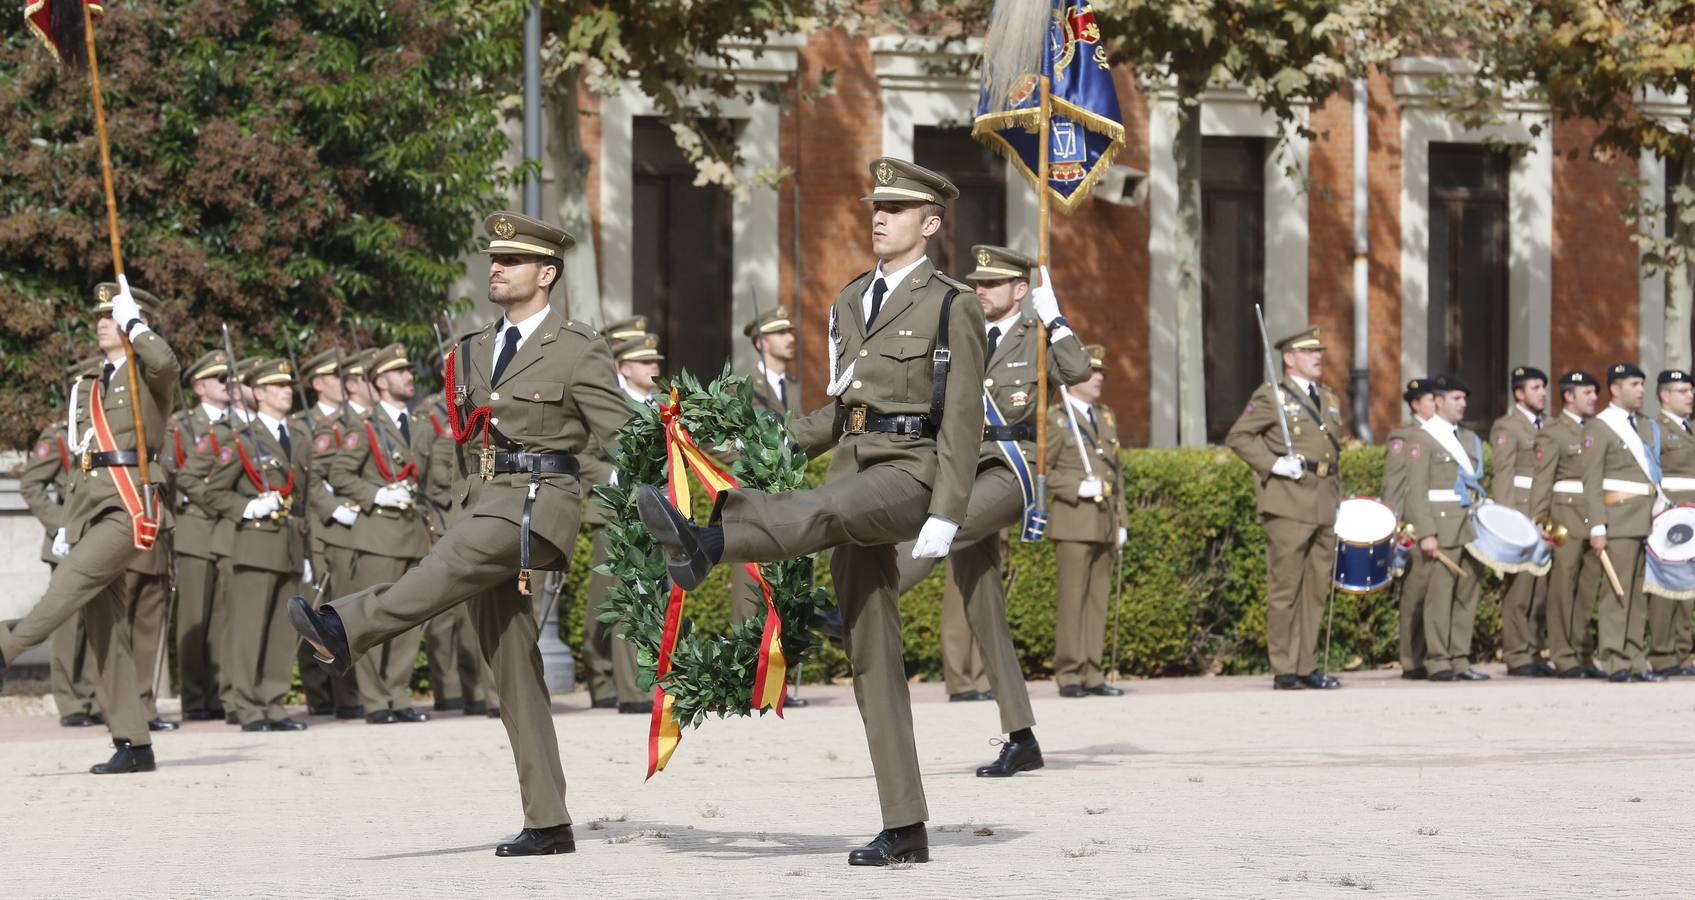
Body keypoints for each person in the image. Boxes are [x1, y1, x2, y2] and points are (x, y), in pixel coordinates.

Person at [636, 157, 987, 866]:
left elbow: (962, 420)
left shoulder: (954, 305)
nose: (878, 217)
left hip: (910, 472)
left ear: (930, 223)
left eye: (895, 209)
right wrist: (758, 441)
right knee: (871, 656)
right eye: (874, 207)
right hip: (853, 464)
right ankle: (905, 826)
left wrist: (947, 512)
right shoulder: (851, 299)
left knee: (824, 510)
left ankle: (709, 539)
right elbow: (842, 413)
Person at [290, 211, 632, 857]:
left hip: (537, 502)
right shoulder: (473, 347)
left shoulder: (577, 346)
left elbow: (619, 435)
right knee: (511, 669)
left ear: (546, 272)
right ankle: (548, 821)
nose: (495, 268)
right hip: (482, 499)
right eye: (493, 259)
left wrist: (649, 496)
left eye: (512, 260)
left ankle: (344, 626)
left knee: (444, 567)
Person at [890, 243, 1093, 778]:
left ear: (1020, 290)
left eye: (992, 285)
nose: (980, 291)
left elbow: (1076, 370)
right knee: (984, 609)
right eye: (976, 284)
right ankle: (1022, 737)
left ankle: (862, 599)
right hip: (964, 469)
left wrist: (1055, 317)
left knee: (942, 525)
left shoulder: (1038, 336)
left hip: (1013, 469)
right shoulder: (964, 334)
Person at [0, 279, 179, 773]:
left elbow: (167, 363)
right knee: (105, 630)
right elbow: (84, 460)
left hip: (129, 510)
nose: (103, 322)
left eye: (111, 315)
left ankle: (5, 647)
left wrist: (136, 323)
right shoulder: (90, 386)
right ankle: (134, 742)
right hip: (91, 509)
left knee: (68, 585)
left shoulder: (149, 376)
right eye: (100, 317)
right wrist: (66, 523)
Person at [184, 358, 314, 730]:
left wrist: (308, 553)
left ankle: (274, 703)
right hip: (254, 544)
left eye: (289, 385)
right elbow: (213, 491)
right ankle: (248, 706)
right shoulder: (241, 438)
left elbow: (306, 499)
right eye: (278, 386)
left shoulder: (300, 438)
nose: (287, 391)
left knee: (281, 630)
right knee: (248, 629)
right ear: (258, 393)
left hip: (290, 544)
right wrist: (247, 506)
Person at [1224, 326, 1348, 690]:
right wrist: (1274, 463)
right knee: (1286, 588)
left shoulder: (1328, 396)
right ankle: (1284, 667)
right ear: (1289, 358)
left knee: (1315, 589)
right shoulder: (1272, 397)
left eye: (1319, 351)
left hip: (1323, 498)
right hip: (1289, 499)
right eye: (1309, 352)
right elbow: (1239, 436)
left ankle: (1307, 663)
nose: (1318, 357)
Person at [330, 344, 436, 724]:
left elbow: (434, 479)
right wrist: (376, 494)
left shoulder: (422, 426)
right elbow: (340, 475)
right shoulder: (364, 426)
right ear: (380, 381)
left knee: (409, 621)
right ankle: (375, 701)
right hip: (377, 537)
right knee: (372, 618)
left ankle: (399, 694)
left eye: (409, 369)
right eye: (400, 371)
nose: (410, 376)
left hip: (413, 534)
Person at [577, 324, 656, 714]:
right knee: (607, 602)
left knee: (644, 599)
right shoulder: (605, 401)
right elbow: (578, 455)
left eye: (655, 361)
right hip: (613, 511)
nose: (653, 367)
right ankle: (604, 676)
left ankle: (634, 685)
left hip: (655, 513)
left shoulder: (663, 404)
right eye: (644, 361)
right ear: (622, 367)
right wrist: (608, 475)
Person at [1044, 344, 1126, 699]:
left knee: (1098, 600)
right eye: (1091, 372)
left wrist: (1122, 519)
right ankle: (1070, 673)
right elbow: (1043, 471)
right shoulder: (1054, 418)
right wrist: (1077, 485)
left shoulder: (1105, 417)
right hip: (1073, 519)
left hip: (1104, 520)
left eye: (1101, 372)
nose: (1099, 378)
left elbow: (1116, 473)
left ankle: (1094, 672)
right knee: (1073, 599)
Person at [1582, 363, 1666, 683]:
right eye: (1634, 384)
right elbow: (1591, 484)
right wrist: (1596, 527)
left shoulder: (1645, 426)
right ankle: (1614, 660)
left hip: (1647, 520)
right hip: (1616, 521)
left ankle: (1634, 659)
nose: (1641, 390)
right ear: (1615, 389)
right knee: (1616, 593)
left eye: (1643, 384)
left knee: (1637, 595)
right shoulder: (1599, 428)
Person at [20, 406, 103, 726]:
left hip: (99, 538)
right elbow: (31, 484)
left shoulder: (105, 434)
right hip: (68, 544)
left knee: (98, 621)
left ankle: (95, 698)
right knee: (69, 626)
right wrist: (60, 526)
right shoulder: (59, 436)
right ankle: (71, 702)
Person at [163, 350, 232, 721]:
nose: (229, 385)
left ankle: (220, 694)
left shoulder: (240, 424)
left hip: (227, 529)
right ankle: (193, 698)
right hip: (194, 527)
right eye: (221, 380)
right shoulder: (181, 425)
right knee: (195, 618)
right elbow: (172, 477)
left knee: (222, 619)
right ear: (200, 387)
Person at [1406, 374, 1488, 681]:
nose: (1462, 404)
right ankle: (1438, 660)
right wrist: (1426, 532)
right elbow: (1415, 490)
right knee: (1439, 596)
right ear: (1438, 401)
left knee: (1467, 594)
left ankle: (1460, 658)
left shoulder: (1466, 438)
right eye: (1456, 398)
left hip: (1468, 524)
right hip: (1441, 526)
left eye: (1464, 399)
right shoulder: (1423, 438)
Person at [1529, 370, 1606, 678]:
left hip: (1594, 517)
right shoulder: (1553, 432)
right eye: (1586, 392)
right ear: (1569, 396)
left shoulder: (1598, 430)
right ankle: (1563, 655)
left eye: (1594, 392)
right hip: (1565, 517)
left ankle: (1584, 654)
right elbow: (1542, 480)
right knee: (1563, 589)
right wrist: (1539, 520)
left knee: (1587, 590)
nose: (1593, 398)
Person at [290, 347, 345, 716]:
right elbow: (307, 484)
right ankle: (318, 696)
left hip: (352, 527)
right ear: (319, 383)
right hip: (318, 526)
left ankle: (346, 695)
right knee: (312, 608)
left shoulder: (358, 421)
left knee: (343, 609)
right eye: (337, 377)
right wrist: (333, 507)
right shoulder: (301, 425)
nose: (345, 384)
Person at [1490, 366, 1554, 677]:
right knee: (1519, 592)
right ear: (1519, 393)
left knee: (1540, 592)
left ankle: (1533, 650)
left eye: (1543, 387)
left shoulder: (1549, 426)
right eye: (1534, 387)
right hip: (1521, 517)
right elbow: (1504, 477)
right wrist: (1508, 525)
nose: (1542, 392)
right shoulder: (1507, 427)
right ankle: (1517, 655)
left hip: (1544, 517)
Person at [1383, 378, 1436, 679]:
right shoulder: (1404, 437)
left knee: (1436, 594)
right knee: (1415, 594)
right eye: (1431, 399)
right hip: (1414, 526)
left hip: (1438, 520)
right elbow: (1395, 484)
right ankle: (1411, 658)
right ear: (1415, 404)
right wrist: (1395, 526)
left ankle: (1433, 655)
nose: (1436, 405)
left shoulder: (1443, 435)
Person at [1647, 369, 1695, 676]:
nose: (1690, 396)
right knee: (1665, 586)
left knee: (1687, 587)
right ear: (1664, 395)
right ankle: (1663, 654)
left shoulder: (1689, 428)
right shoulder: (1655, 429)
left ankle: (1681, 650)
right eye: (1682, 391)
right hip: (1669, 514)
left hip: (1691, 515)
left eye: (1690, 391)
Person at [745, 305, 802, 418]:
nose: (791, 338)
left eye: (789, 331)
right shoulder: (744, 388)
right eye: (781, 332)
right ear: (761, 343)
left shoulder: (793, 385)